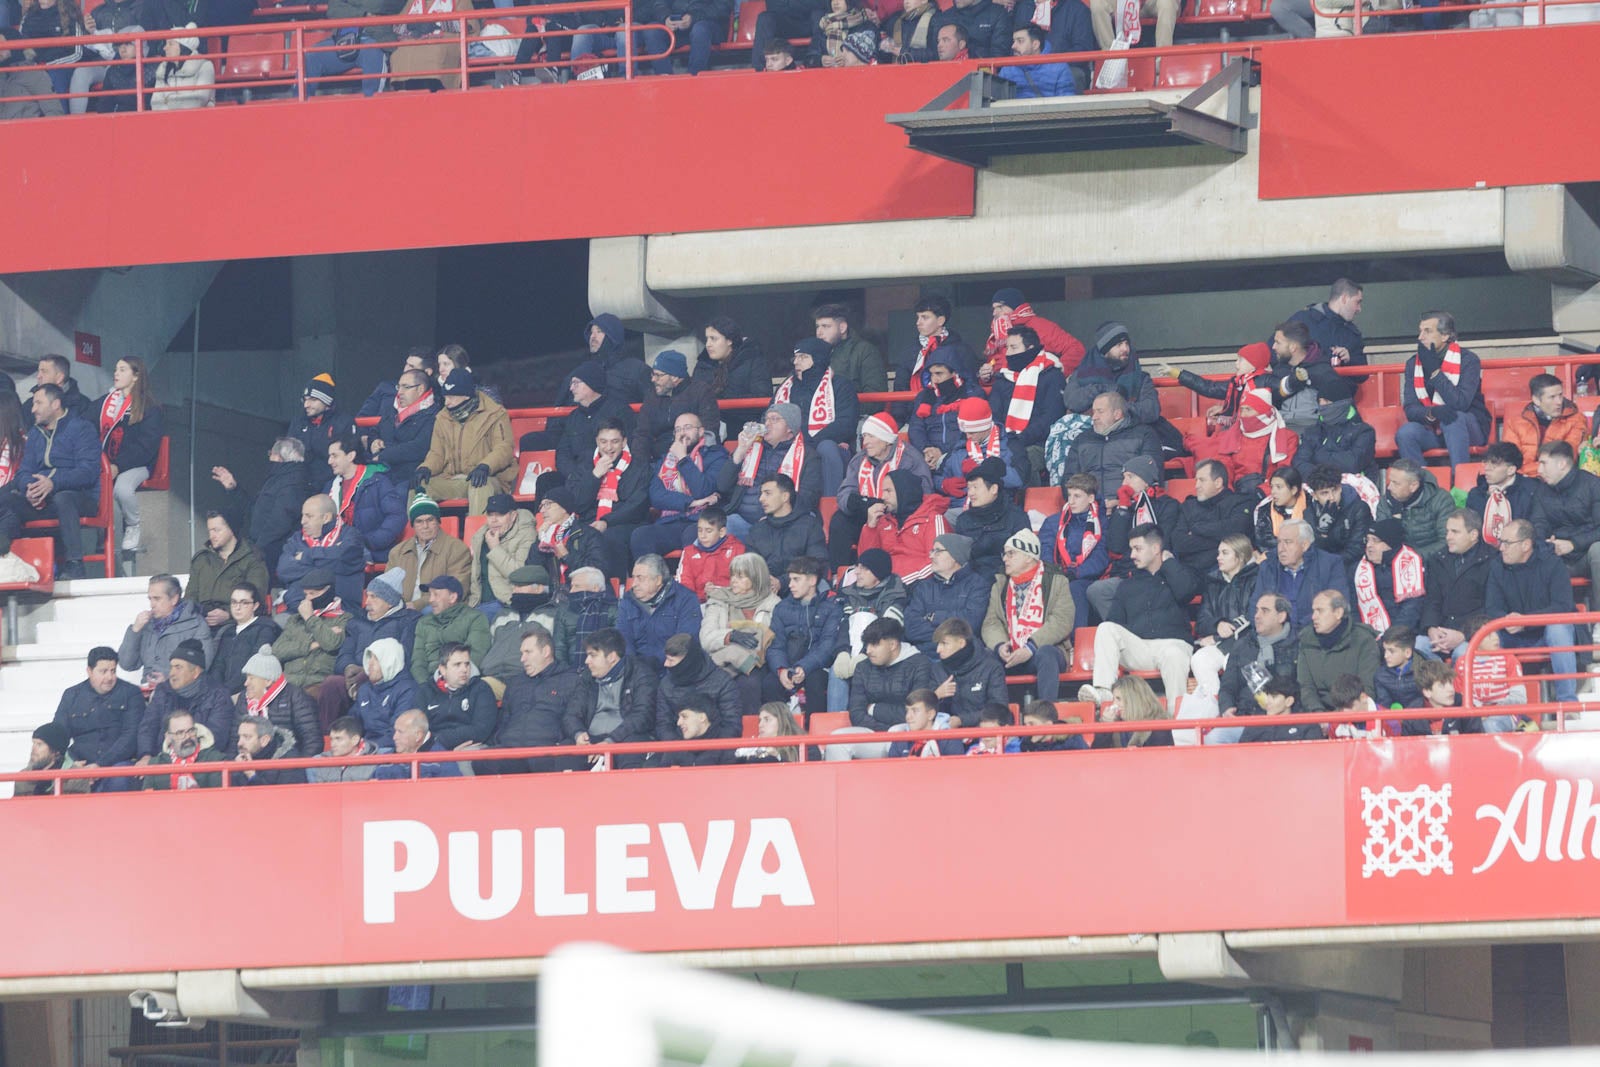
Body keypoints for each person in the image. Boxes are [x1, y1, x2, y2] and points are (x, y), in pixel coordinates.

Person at [1078, 525, 1197, 717]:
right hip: (1140, 649)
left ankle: (1178, 719)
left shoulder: (1179, 574)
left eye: (1138, 549)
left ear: (1156, 549)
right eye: (1131, 549)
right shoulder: (1127, 585)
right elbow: (1114, 623)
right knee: (1106, 628)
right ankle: (1103, 692)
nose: (1132, 555)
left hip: (1173, 646)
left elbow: (1186, 592)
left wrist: (1169, 563)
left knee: (1173, 654)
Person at [0, 383, 102, 579]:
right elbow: (23, 472)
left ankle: (75, 565)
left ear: (55, 404)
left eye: (38, 403)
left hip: (81, 498)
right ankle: (4, 555)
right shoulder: (36, 435)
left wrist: (52, 482)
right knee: (7, 499)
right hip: (44, 499)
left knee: (64, 498)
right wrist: (31, 487)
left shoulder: (81, 428)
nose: (32, 409)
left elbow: (87, 472)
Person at [1485, 519, 1579, 705]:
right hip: (1511, 633)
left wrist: (1526, 621)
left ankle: (1568, 703)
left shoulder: (1552, 564)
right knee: (1485, 636)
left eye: (1507, 543)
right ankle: (1491, 705)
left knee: (1558, 629)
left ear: (1526, 545)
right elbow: (1491, 607)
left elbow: (1563, 606)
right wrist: (1507, 621)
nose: (1501, 548)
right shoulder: (1497, 566)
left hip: (1545, 633)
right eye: (1500, 542)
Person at [980, 527, 1074, 701]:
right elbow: (991, 622)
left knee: (1046, 654)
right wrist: (1000, 645)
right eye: (1005, 554)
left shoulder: (1056, 580)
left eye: (1011, 554)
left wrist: (1031, 647)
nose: (1005, 559)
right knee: (985, 655)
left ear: (1029, 556)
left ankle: (1046, 714)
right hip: (1011, 653)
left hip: (1044, 650)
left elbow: (1062, 620)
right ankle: (999, 715)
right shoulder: (1000, 584)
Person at [319, 569, 419, 726]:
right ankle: (329, 739)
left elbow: (403, 657)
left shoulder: (407, 621)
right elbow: (344, 654)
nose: (367, 603)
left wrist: (367, 673)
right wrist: (348, 667)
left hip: (387, 680)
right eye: (367, 596)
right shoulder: (357, 621)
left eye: (374, 597)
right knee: (331, 684)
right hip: (353, 678)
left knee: (366, 685)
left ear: (390, 601)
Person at [832, 413, 933, 565]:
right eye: (864, 437)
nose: (866, 442)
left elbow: (923, 493)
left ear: (886, 440)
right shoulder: (859, 460)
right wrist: (859, 502)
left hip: (897, 516)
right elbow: (845, 492)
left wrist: (887, 505)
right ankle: (840, 574)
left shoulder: (910, 459)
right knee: (840, 521)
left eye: (871, 437)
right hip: (866, 512)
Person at [1398, 311, 1491, 471]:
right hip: (1432, 429)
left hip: (1468, 429)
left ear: (1445, 335)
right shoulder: (1413, 364)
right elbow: (1411, 409)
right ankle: (1421, 485)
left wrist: (1435, 372)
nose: (1420, 337)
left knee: (1453, 419)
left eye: (1427, 331)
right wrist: (1433, 412)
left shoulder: (1469, 360)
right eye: (1420, 331)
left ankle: (1460, 487)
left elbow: (1460, 403)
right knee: (1406, 433)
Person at [415, 368, 516, 515]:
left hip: (488, 477)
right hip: (453, 479)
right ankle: (420, 536)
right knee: (418, 487)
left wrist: (485, 466)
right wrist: (425, 468)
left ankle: (475, 536)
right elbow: (436, 453)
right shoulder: (442, 417)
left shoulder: (495, 414)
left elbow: (504, 448)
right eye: (445, 397)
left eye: (451, 397)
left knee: (480, 485)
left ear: (466, 396)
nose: (447, 402)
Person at [212, 437, 310, 585]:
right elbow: (255, 512)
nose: (269, 458)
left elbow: (280, 522)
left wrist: (255, 550)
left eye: (270, 454)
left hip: (273, 557)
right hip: (263, 553)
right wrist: (234, 489)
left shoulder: (293, 482)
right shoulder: (278, 479)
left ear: (277, 456)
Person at [719, 403, 824, 540]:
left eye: (774, 419)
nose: (767, 424)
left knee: (803, 526)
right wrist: (740, 451)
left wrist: (775, 518)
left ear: (790, 429)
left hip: (785, 522)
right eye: (766, 419)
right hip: (743, 521)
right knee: (712, 532)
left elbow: (807, 498)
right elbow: (722, 486)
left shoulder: (808, 456)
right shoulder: (750, 449)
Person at [490, 626, 586, 775]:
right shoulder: (515, 683)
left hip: (547, 752)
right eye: (522, 653)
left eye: (528, 652)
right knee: (482, 761)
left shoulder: (571, 680)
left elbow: (573, 718)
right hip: (510, 752)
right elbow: (504, 721)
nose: (522, 659)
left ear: (546, 651)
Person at [633, 413, 730, 560]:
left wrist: (683, 459)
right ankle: (656, 581)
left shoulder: (716, 455)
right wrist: (691, 503)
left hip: (701, 520)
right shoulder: (665, 460)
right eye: (678, 430)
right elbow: (656, 496)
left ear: (701, 431)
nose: (682, 433)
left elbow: (703, 490)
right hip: (670, 521)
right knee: (641, 535)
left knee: (693, 535)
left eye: (688, 427)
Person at [92, 356, 163, 553]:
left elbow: (146, 446)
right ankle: (104, 538)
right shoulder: (106, 402)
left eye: (122, 370)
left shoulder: (149, 407)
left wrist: (118, 465)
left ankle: (133, 525)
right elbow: (85, 421)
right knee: (97, 490)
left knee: (122, 489)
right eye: (116, 369)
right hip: (107, 466)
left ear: (136, 376)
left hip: (137, 464)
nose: (116, 373)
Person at [51, 646, 143, 790]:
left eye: (113, 671)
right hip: (80, 765)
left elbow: (130, 737)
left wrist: (100, 766)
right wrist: (70, 765)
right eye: (103, 671)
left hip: (117, 764)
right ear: (89, 671)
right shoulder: (72, 695)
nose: (109, 677)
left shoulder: (131, 693)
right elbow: (57, 736)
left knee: (120, 779)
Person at [565, 417, 650, 572]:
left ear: (624, 442)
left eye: (615, 441)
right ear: (597, 441)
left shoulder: (639, 465)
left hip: (623, 523)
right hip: (588, 522)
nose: (609, 447)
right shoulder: (585, 464)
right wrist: (594, 476)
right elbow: (575, 503)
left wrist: (606, 521)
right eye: (603, 442)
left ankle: (617, 588)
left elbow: (637, 505)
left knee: (610, 538)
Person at [765, 556, 844, 718]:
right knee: (769, 684)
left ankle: (813, 735)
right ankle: (778, 736)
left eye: (796, 579)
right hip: (787, 666)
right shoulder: (781, 607)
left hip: (816, 667)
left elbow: (827, 645)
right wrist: (781, 669)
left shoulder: (831, 607)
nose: (790, 585)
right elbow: (775, 645)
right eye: (790, 579)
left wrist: (804, 667)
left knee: (815, 682)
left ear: (812, 580)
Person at [1211, 594, 1300, 738]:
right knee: (1215, 738)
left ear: (1281, 616)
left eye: (1265, 611)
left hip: (1285, 720)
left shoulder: (1298, 645)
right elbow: (1228, 685)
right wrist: (1226, 708)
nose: (1257, 616)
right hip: (1246, 718)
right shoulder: (1243, 645)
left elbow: (1303, 688)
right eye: (1257, 610)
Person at [566, 628, 658, 766]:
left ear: (611, 657)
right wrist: (578, 733)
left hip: (624, 739)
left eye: (593, 655)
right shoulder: (587, 677)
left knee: (631, 751)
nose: (586, 661)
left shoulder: (641, 674)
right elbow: (571, 714)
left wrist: (611, 741)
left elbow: (642, 716)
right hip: (591, 741)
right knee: (564, 754)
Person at [777, 337, 859, 492]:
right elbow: (769, 417)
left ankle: (830, 506)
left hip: (823, 445)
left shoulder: (840, 385)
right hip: (790, 444)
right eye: (795, 357)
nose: (796, 362)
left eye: (803, 357)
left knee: (827, 447)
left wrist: (808, 442)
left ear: (819, 359)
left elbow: (845, 424)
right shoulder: (786, 387)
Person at [1529, 440, 1600, 614]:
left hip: (1585, 554)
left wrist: (1573, 544)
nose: (1539, 470)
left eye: (1544, 463)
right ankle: (1540, 623)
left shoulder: (1593, 485)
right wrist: (1547, 543)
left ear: (1562, 464)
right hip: (1556, 556)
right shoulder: (1541, 491)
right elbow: (1538, 523)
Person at [987, 325, 1066, 480]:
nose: (1008, 353)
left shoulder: (1051, 375)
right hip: (1004, 441)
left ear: (1030, 349)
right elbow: (993, 414)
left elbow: (1051, 417)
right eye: (1007, 347)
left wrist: (1019, 439)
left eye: (1013, 348)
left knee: (1024, 459)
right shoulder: (1003, 378)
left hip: (1039, 443)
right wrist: (1004, 440)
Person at [701, 552, 779, 708]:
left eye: (741, 576)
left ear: (756, 578)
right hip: (722, 662)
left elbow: (771, 640)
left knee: (750, 683)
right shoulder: (718, 600)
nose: (733, 581)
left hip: (758, 663)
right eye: (732, 575)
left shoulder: (774, 604)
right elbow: (706, 639)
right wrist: (731, 635)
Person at [1059, 392, 1163, 506]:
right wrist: (1087, 504)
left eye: (1100, 411)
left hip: (1130, 507)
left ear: (1117, 414)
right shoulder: (1082, 439)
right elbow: (1069, 479)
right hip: (1090, 508)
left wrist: (1122, 502)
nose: (1094, 417)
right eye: (1093, 412)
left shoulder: (1144, 434)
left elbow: (1151, 474)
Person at [1189, 534, 1260, 699]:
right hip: (1221, 643)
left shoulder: (1257, 578)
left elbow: (1255, 616)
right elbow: (1202, 621)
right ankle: (1214, 709)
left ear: (1240, 556)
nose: (1218, 557)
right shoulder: (1213, 582)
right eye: (1219, 552)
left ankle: (1240, 710)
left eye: (1225, 553)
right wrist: (1218, 625)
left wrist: (1218, 637)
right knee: (1200, 659)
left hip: (1247, 644)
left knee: (1235, 663)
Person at [140, 640, 237, 761]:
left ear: (195, 672)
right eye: (171, 667)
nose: (171, 673)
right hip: (163, 759)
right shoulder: (163, 691)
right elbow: (149, 727)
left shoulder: (218, 694)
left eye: (178, 668)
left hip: (203, 761)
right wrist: (146, 754)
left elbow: (217, 737)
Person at [1165, 342, 1272, 451]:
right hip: (1237, 435)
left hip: (1252, 440)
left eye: (1240, 360)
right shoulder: (1236, 383)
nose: (1236, 364)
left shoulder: (1267, 383)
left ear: (1253, 364)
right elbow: (1210, 388)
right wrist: (1179, 374)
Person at [1420, 509, 1496, 659]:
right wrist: (1431, 628)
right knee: (1419, 646)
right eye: (1447, 531)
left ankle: (1455, 683)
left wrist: (1463, 634)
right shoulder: (1438, 559)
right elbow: (1432, 600)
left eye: (1455, 532)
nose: (1448, 537)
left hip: (1473, 635)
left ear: (1473, 535)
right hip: (1441, 632)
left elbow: (1490, 607)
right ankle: (1442, 681)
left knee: (1462, 653)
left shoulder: (1492, 560)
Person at [856, 469, 950, 584]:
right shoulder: (883, 520)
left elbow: (937, 562)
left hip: (918, 587)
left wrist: (899, 584)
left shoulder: (932, 519)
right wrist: (870, 527)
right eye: (883, 491)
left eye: (888, 491)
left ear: (904, 491)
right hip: (884, 587)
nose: (883, 497)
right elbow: (866, 561)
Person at [1253, 518, 1350, 630]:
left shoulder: (1330, 564)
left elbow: (1338, 605)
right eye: (1279, 542)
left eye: (1288, 542)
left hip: (1315, 635)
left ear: (1304, 545)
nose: (1281, 549)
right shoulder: (1268, 567)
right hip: (1277, 635)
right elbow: (1255, 606)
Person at [903, 532, 989, 655]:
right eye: (932, 551)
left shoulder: (977, 585)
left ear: (955, 556)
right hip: (924, 654)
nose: (932, 556)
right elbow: (911, 628)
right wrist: (949, 637)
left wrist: (935, 617)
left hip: (961, 655)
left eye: (937, 551)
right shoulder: (924, 587)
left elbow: (971, 624)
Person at [118, 574, 213, 685]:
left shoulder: (196, 624)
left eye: (157, 599)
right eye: (150, 599)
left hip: (181, 694)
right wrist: (135, 630)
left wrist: (168, 678)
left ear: (174, 599)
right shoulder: (147, 624)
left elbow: (202, 665)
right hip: (149, 693)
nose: (152, 604)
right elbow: (127, 664)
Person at [1295, 590, 1380, 714]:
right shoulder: (1306, 640)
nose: (1313, 617)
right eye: (1313, 611)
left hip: (1353, 713)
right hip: (1317, 716)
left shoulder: (1363, 640)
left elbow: (1367, 687)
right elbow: (1306, 687)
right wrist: (1318, 713)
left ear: (1338, 613)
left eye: (1320, 611)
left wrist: (1338, 717)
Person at [1062, 321, 1161, 427]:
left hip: (1128, 431)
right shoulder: (1083, 374)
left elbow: (1151, 410)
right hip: (1090, 431)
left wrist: (1117, 409)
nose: (1125, 349)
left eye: (1127, 344)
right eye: (1119, 345)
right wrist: (1102, 389)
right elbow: (1072, 402)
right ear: (1105, 350)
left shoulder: (1140, 378)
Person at [187, 510, 272, 630]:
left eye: (216, 530)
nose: (212, 536)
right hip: (200, 625)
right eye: (210, 531)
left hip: (236, 625)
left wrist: (228, 614)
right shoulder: (202, 560)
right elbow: (190, 598)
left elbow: (256, 598)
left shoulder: (252, 559)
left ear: (231, 529)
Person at [278, 493, 366, 610]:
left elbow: (342, 558)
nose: (302, 521)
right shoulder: (297, 539)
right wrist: (329, 560)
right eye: (303, 516)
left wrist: (306, 556)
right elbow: (284, 570)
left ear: (326, 518)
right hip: (298, 608)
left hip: (342, 610)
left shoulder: (350, 535)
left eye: (309, 516)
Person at [544, 360, 635, 472]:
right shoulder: (574, 417)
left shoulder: (619, 410)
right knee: (546, 480)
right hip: (577, 477)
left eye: (576, 383)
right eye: (571, 384)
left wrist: (595, 474)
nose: (571, 388)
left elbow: (630, 447)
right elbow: (563, 453)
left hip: (610, 473)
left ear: (592, 383)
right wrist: (575, 476)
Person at [325, 433, 404, 562]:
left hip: (371, 551)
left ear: (351, 456)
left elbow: (396, 516)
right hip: (337, 549)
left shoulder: (377, 481)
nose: (329, 461)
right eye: (329, 456)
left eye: (334, 456)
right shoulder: (330, 487)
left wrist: (369, 542)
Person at [385, 495, 473, 610]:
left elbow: (455, 590)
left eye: (430, 520)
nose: (425, 526)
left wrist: (416, 605)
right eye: (419, 522)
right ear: (413, 525)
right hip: (402, 610)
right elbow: (386, 588)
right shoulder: (397, 552)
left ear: (438, 521)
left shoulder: (457, 549)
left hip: (437, 609)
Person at [632, 350, 721, 464]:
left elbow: (709, 430)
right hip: (659, 461)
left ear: (674, 377)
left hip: (695, 459)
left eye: (658, 375)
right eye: (653, 374)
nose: (653, 379)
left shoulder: (701, 392)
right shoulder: (652, 396)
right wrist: (639, 464)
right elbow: (642, 434)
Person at [481, 564, 559, 690]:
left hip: (528, 680)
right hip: (491, 675)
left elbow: (557, 654)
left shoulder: (553, 616)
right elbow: (488, 646)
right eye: (514, 586)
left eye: (520, 586)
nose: (514, 591)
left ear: (538, 588)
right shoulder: (503, 613)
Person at [234, 644, 321, 756]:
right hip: (249, 765)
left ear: (268, 681)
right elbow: (234, 740)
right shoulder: (243, 699)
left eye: (251, 678)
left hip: (287, 766)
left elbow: (312, 740)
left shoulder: (296, 697)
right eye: (246, 678)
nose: (246, 683)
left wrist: (297, 768)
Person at [1170, 460, 1254, 574]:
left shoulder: (1240, 503)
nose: (1196, 486)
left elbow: (1237, 532)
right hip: (1188, 571)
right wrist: (1219, 540)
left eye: (1202, 480)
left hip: (1222, 572)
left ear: (1218, 482)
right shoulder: (1188, 506)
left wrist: (1196, 528)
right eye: (1196, 480)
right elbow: (1178, 543)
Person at [617, 554, 702, 662]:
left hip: (674, 669)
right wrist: (636, 672)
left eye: (640, 578)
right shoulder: (628, 600)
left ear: (658, 580)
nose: (634, 584)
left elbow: (685, 642)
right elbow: (624, 641)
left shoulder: (685, 599)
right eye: (633, 577)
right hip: (638, 670)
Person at [952, 457, 1029, 577]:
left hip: (1005, 579)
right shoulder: (963, 520)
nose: (970, 493)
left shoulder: (1016, 517)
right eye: (969, 488)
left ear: (993, 489)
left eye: (976, 487)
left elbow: (1023, 560)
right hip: (971, 582)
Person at [1352, 518, 1427, 639]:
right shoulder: (1359, 569)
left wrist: (1391, 637)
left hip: (1403, 636)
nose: (1369, 545)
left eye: (1375, 541)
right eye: (1368, 540)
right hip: (1368, 636)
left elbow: (1411, 610)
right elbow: (1354, 609)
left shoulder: (1411, 565)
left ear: (1390, 544)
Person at [1292, 376, 1377, 482]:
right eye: (1320, 401)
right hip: (1316, 485)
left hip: (1353, 490)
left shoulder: (1364, 432)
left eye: (1327, 402)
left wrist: (1316, 457)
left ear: (1342, 403)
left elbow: (1352, 464)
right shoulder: (1311, 432)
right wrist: (1321, 478)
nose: (1322, 406)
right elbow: (1299, 463)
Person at [410, 575, 491, 684]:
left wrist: (448, 682)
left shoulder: (475, 618)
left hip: (462, 682)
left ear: (452, 597)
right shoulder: (424, 622)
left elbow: (476, 655)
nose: (430, 600)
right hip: (428, 684)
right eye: (430, 594)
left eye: (436, 595)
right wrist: (426, 686)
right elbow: (418, 661)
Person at [896, 294, 978, 402]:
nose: (918, 322)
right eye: (918, 317)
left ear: (940, 321)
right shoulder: (910, 351)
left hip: (951, 411)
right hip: (914, 412)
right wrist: (900, 417)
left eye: (925, 317)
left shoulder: (961, 350)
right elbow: (900, 387)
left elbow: (970, 385)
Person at [930, 617, 1007, 731]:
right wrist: (935, 695)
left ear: (961, 643)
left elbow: (999, 709)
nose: (938, 650)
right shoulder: (936, 669)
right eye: (938, 644)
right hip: (945, 737)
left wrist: (962, 720)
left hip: (983, 735)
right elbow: (921, 711)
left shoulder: (991, 667)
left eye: (944, 643)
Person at [938, 397, 1024, 497]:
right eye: (965, 432)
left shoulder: (1010, 444)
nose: (968, 436)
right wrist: (943, 484)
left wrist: (982, 469)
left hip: (996, 506)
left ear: (985, 427)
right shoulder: (960, 445)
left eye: (972, 432)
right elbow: (937, 476)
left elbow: (1020, 480)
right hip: (959, 505)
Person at [1502, 374, 1587, 476]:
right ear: (1536, 400)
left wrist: (1527, 471)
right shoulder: (1515, 423)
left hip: (1558, 480)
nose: (1559, 402)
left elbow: (1566, 458)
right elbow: (1509, 461)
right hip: (1523, 480)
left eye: (1560, 395)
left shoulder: (1576, 419)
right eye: (1552, 397)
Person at [909, 354, 980, 474]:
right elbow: (916, 427)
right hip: (929, 456)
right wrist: (927, 449)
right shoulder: (924, 396)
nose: (934, 379)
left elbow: (975, 431)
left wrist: (945, 456)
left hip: (961, 454)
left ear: (954, 373)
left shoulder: (972, 393)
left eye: (939, 373)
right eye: (931, 374)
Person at [209, 583, 280, 695]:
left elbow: (254, 666)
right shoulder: (228, 632)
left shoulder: (265, 630)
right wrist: (218, 692)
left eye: (244, 603)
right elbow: (218, 666)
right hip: (223, 694)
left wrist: (226, 692)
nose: (237, 607)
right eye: (234, 602)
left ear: (255, 606)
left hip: (248, 693)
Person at [469, 494, 536, 613]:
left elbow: (520, 575)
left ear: (513, 515)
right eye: (490, 515)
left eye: (500, 514)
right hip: (477, 603)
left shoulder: (527, 535)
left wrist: (495, 548)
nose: (494, 520)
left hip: (507, 602)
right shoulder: (480, 536)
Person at [1263, 320, 1333, 433]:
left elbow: (1337, 411)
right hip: (1279, 429)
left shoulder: (1322, 371)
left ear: (1293, 347)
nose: (1273, 347)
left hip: (1312, 432)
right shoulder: (1279, 370)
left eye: (1278, 342)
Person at [1376, 460, 1453, 561]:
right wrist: (1396, 517)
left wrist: (1412, 558)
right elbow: (1382, 541)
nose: (1389, 487)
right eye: (1390, 481)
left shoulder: (1441, 500)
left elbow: (1447, 542)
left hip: (1435, 562)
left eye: (1396, 483)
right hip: (1396, 563)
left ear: (1413, 486)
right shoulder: (1386, 501)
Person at [534, 485, 613, 581]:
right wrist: (539, 541)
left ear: (564, 508)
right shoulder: (545, 536)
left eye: (547, 504)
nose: (542, 510)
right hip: (554, 593)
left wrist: (567, 556)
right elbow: (532, 570)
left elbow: (600, 570)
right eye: (541, 506)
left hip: (582, 592)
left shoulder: (589, 534)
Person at [1463, 442, 1536, 546]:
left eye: (1494, 465)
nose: (1487, 468)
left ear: (1511, 470)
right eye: (1486, 463)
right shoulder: (1476, 494)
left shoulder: (1531, 491)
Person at [353, 637, 419, 748]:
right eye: (370, 658)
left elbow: (398, 733)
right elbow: (352, 723)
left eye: (377, 659)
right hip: (366, 748)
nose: (370, 664)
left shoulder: (407, 690)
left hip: (390, 750)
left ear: (391, 661)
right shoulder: (364, 690)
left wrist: (368, 749)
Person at [693, 316, 771, 408]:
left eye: (713, 339)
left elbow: (762, 397)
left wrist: (723, 401)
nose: (708, 344)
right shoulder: (702, 365)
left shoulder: (753, 361)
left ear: (729, 340)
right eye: (707, 339)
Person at [1285, 278, 1366, 367]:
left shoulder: (1353, 333)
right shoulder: (1303, 319)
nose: (1359, 309)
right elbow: (1275, 352)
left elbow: (1363, 373)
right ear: (1344, 299)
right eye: (1357, 302)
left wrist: (1349, 359)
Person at [1305, 466, 1372, 569]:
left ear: (1340, 488)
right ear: (1314, 495)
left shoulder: (1359, 508)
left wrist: (1328, 564)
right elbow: (1309, 549)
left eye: (1334, 490)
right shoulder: (1309, 514)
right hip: (1320, 567)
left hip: (1351, 566)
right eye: (1324, 493)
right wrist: (1322, 534)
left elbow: (1356, 549)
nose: (1331, 497)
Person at [814, 303, 888, 396]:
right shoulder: (813, 355)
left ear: (842, 328)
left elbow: (875, 396)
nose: (819, 332)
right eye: (817, 326)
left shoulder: (865, 351)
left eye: (825, 326)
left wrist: (846, 409)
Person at [551, 566, 619, 668]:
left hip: (606, 670)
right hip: (570, 674)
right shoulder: (564, 611)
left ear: (595, 588)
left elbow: (617, 646)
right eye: (572, 586)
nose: (572, 591)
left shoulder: (613, 609)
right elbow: (559, 648)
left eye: (577, 586)